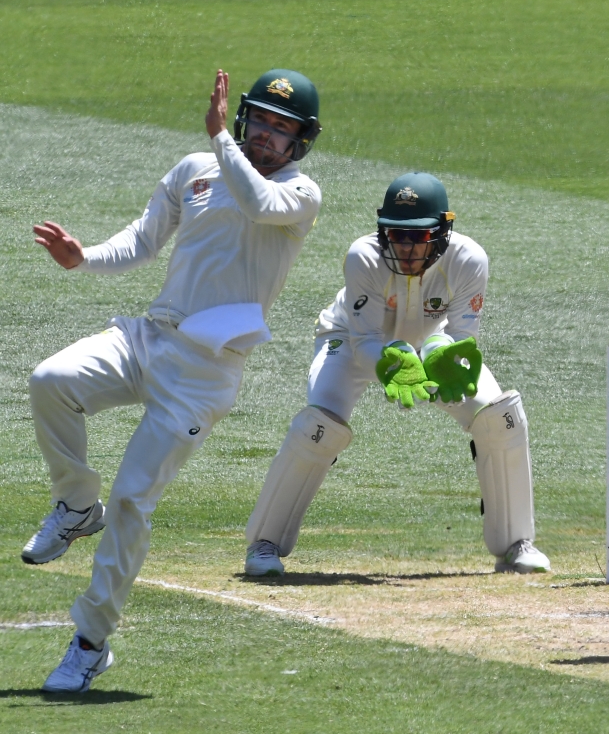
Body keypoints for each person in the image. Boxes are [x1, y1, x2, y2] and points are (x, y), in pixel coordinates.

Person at [24, 68, 323, 692]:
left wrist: (223, 141)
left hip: (204, 373)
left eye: (282, 128)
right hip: (149, 336)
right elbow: (141, 241)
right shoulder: (196, 168)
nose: (268, 136)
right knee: (51, 379)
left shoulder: (299, 196)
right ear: (244, 118)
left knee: (133, 501)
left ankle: (89, 643)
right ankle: (78, 504)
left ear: (300, 142)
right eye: (260, 121)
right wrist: (85, 258)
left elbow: (257, 201)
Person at [242, 171, 550, 578]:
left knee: (498, 417)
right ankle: (264, 544)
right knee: (320, 423)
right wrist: (392, 364)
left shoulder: (469, 259)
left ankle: (515, 544)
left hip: (431, 340)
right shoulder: (363, 256)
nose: (404, 247)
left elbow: (461, 337)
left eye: (417, 237)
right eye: (396, 234)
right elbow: (365, 338)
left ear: (442, 231)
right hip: (352, 340)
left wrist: (442, 361)